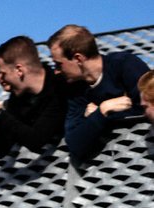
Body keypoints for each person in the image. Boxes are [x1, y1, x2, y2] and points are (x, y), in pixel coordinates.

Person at [47, 24, 151, 162]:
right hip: (109, 172)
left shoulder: (125, 65)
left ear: (78, 59)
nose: (56, 71)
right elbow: (74, 143)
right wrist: (103, 110)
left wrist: (95, 118)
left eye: (58, 64)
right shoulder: (73, 90)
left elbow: (147, 109)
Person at [0, 35, 68, 160]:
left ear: (19, 70)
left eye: (1, 73)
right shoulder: (16, 100)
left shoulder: (61, 88)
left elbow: (36, 140)